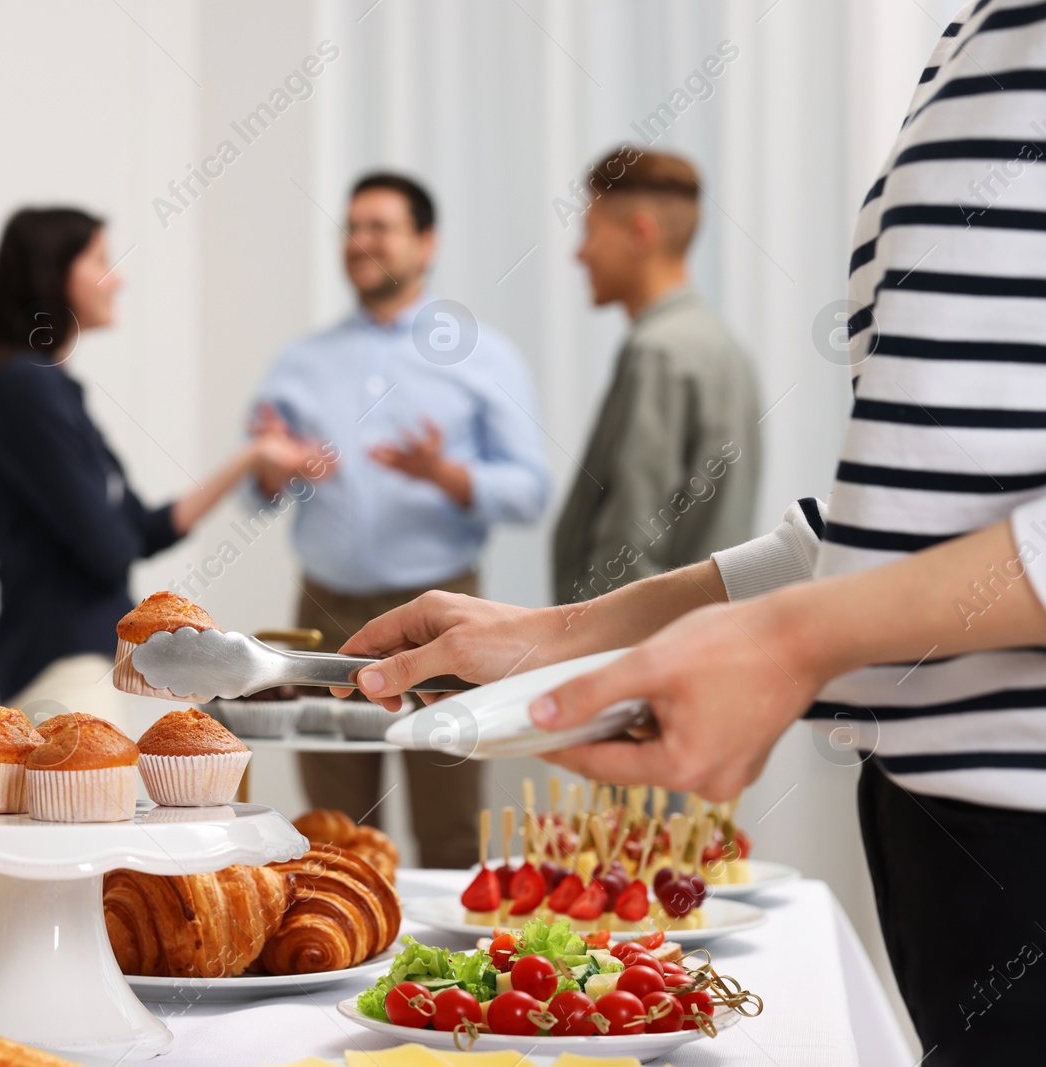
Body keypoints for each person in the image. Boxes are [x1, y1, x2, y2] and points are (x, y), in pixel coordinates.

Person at [337, 6, 1046, 1057]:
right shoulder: (975, 34)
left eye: (584, 221)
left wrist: (786, 643)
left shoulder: (669, 353)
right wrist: (563, 631)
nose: (570, 245)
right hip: (941, 834)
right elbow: (882, 532)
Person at [249, 172, 550, 868]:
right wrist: (278, 467)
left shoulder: (483, 355)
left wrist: (445, 475)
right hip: (325, 612)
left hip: (442, 611)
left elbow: (532, 491)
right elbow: (258, 489)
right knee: (329, 833)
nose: (360, 243)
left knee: (448, 828)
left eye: (379, 227)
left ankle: (445, 975)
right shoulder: (301, 361)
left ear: (425, 242)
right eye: (351, 229)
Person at [0, 207, 326, 729]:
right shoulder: (28, 387)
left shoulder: (52, 390)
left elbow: (142, 531)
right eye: (102, 260)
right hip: (62, 661)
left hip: (83, 660)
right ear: (52, 271)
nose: (119, 278)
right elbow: (109, 550)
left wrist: (252, 456)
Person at [553, 148, 762, 607]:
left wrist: (586, 652)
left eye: (589, 231)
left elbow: (630, 545)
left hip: (633, 652)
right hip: (697, 638)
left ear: (639, 233)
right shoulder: (724, 346)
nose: (580, 253)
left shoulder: (656, 353)